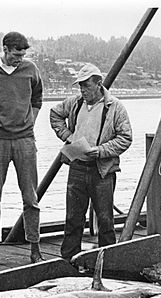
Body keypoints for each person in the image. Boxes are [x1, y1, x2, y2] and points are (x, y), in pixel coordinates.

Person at [50, 63, 132, 264]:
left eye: (86, 86)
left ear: (99, 84)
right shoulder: (75, 102)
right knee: (73, 218)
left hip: (101, 170)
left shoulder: (115, 107)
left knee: (105, 220)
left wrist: (101, 151)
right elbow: (54, 114)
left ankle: (108, 262)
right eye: (80, 86)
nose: (82, 90)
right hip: (77, 167)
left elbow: (126, 138)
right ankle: (68, 260)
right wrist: (68, 137)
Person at [0, 31, 44, 269]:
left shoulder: (31, 70)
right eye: (16, 54)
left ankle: (35, 250)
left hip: (25, 140)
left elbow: (37, 98)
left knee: (31, 197)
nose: (20, 58)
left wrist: (30, 122)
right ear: (5, 49)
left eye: (23, 54)